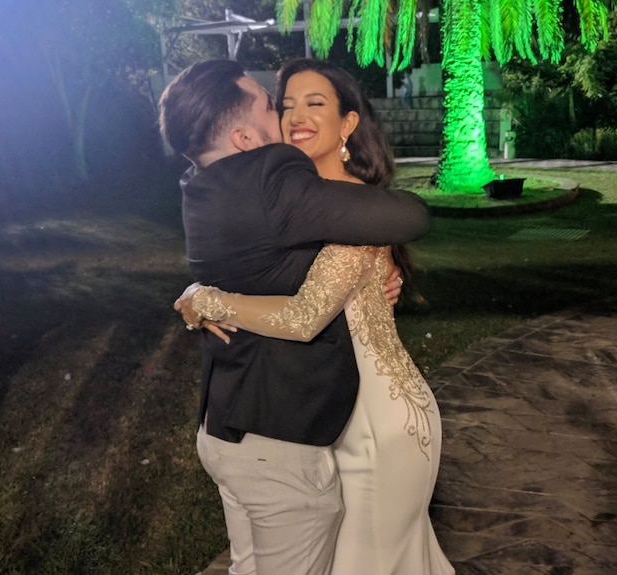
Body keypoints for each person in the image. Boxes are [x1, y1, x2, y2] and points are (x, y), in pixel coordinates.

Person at [178, 58, 453, 575]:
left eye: (315, 103)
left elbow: (304, 313)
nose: (294, 116)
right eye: (282, 105)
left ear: (348, 123)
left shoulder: (353, 210)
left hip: (377, 418)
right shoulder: (274, 199)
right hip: (313, 420)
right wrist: (196, 291)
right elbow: (244, 263)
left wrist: (208, 299)